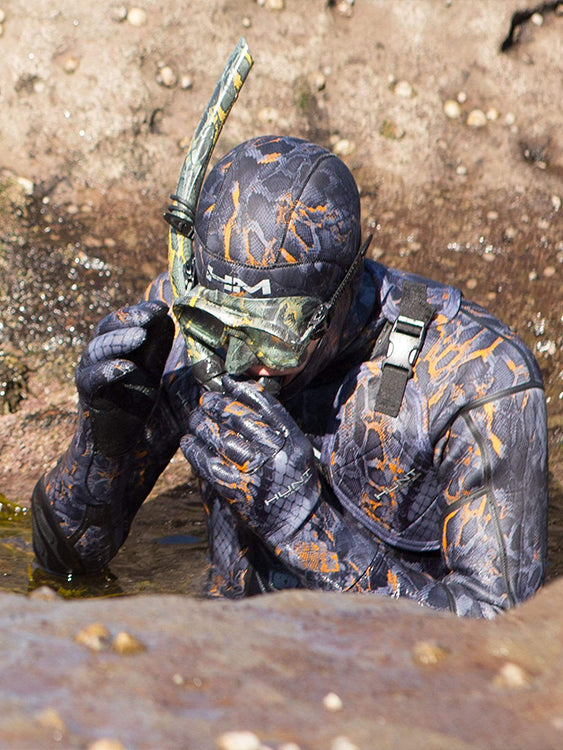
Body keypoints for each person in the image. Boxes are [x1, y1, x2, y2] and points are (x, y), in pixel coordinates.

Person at [31, 135, 548, 618]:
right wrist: (102, 443)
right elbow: (66, 563)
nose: (236, 362)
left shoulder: (477, 376)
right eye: (216, 325)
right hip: (221, 655)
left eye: (271, 339)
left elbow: (498, 639)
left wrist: (303, 524)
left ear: (343, 293)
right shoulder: (184, 327)